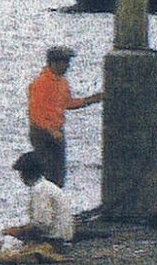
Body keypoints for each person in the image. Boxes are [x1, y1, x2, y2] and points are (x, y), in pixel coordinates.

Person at [27, 46, 104, 187]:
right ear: (54, 63)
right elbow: (35, 114)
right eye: (65, 62)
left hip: (57, 132)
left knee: (58, 175)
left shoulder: (62, 82)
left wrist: (89, 100)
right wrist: (51, 131)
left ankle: (56, 204)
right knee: (48, 175)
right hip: (42, 134)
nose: (68, 66)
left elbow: (67, 103)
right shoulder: (41, 83)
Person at [3, 151, 75, 246]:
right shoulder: (47, 186)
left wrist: (18, 231)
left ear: (26, 173)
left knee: (7, 242)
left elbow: (43, 223)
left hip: (54, 240)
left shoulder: (39, 190)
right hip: (62, 237)